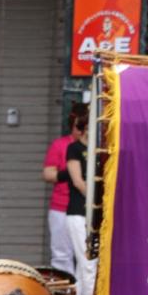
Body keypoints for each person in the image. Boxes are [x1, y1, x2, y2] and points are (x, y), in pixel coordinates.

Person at [42, 105, 87, 277]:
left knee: (86, 256)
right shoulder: (60, 145)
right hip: (61, 207)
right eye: (78, 127)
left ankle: (83, 291)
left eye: (84, 127)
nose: (81, 132)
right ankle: (65, 290)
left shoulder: (94, 146)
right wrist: (70, 171)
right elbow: (48, 173)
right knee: (61, 255)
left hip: (84, 208)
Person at [65, 113, 96, 295]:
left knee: (84, 262)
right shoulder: (75, 149)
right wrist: (94, 201)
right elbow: (77, 181)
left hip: (91, 213)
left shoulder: (98, 149)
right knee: (88, 260)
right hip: (78, 211)